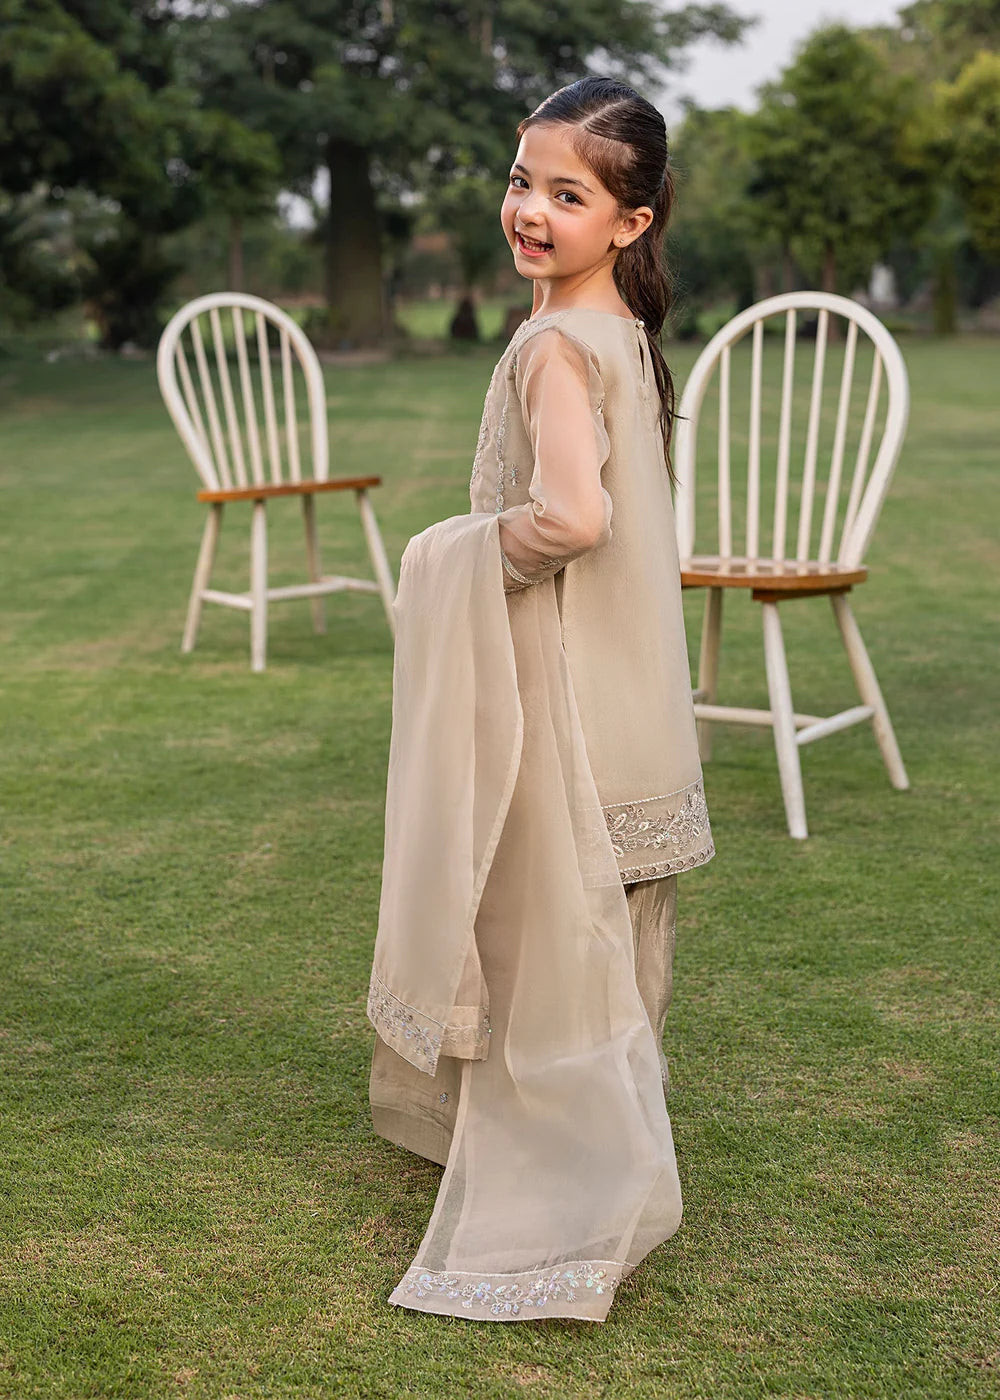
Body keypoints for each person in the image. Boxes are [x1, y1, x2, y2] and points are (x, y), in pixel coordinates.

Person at [366, 76, 714, 1323]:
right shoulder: (621, 333)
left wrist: (448, 554)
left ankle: (574, 1176)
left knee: (550, 936)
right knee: (601, 941)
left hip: (562, 687)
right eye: (522, 181)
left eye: (568, 195)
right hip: (636, 695)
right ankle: (598, 1149)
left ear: (630, 220)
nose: (530, 210)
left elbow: (572, 518)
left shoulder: (556, 346)